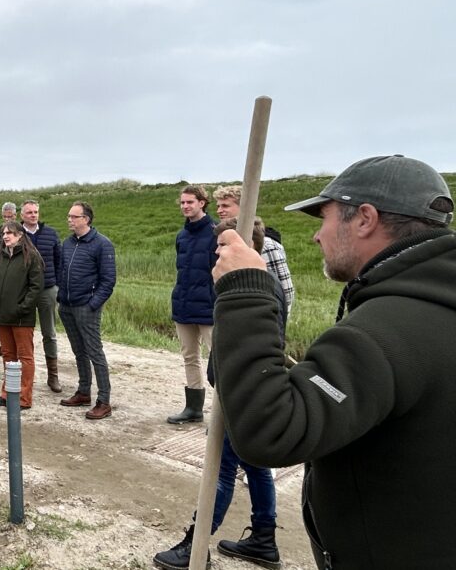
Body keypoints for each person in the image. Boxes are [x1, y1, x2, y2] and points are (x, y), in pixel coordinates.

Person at [212, 155, 455, 569]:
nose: (316, 237)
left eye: (323, 218)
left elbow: (272, 429)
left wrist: (244, 291)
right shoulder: (436, 304)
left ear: (365, 219)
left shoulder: (384, 332)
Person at [154, 217, 283, 570]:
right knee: (256, 467)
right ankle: (263, 539)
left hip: (240, 395)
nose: (216, 251)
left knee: (221, 470)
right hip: (245, 391)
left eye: (224, 244)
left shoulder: (250, 290)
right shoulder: (253, 285)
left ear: (247, 247)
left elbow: (249, 349)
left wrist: (231, 390)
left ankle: (195, 546)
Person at [57, 201, 117, 419]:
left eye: (74, 217)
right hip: (67, 306)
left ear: (86, 219)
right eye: (69, 216)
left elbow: (108, 280)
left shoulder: (102, 244)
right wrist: (60, 296)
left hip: (87, 307)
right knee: (78, 351)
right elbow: (61, 271)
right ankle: (83, 392)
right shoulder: (67, 243)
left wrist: (93, 304)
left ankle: (104, 400)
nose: (70, 220)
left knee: (94, 351)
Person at [167, 184, 217, 425]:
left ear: (202, 203)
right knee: (190, 357)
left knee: (218, 360)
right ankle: (193, 408)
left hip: (209, 308)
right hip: (184, 305)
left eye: (190, 202)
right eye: (182, 203)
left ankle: (223, 413)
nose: (185, 206)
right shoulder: (182, 235)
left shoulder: (217, 232)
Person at [214, 184, 295, 315]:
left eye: (225, 206)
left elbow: (285, 289)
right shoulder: (223, 242)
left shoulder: (268, 244)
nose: (219, 210)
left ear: (244, 207)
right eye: (218, 206)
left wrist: (279, 322)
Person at [0, 220, 43, 409]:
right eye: (3, 233)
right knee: (8, 356)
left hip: (21, 317)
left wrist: (23, 308)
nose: (5, 236)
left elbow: (36, 288)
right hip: (2, 315)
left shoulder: (31, 256)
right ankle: (8, 393)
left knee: (25, 357)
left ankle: (24, 398)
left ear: (20, 235)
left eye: (9, 233)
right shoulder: (2, 256)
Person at [18, 199, 64, 392]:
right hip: (24, 290)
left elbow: (59, 261)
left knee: (49, 333)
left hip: (47, 289)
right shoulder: (14, 235)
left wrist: (58, 286)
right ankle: (24, 375)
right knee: (23, 334)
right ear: (22, 215)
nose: (33, 215)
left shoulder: (51, 234)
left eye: (36, 212)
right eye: (29, 212)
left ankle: (53, 376)